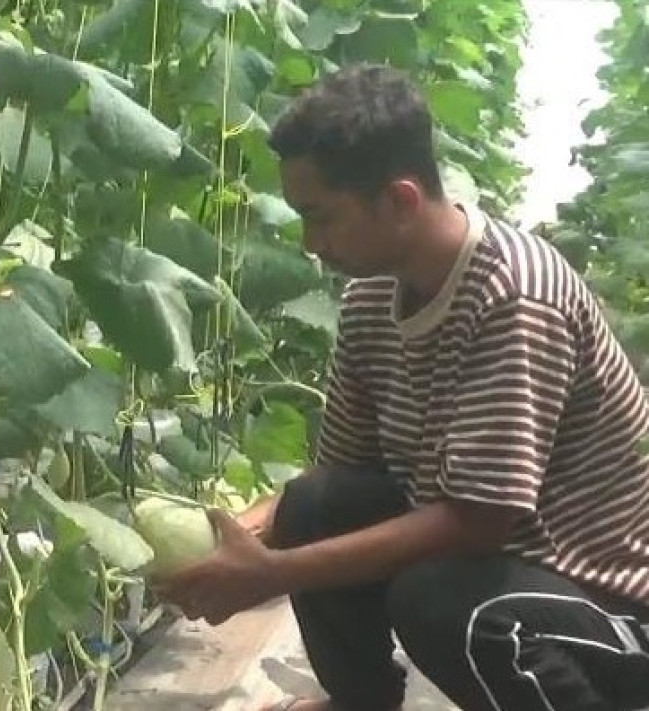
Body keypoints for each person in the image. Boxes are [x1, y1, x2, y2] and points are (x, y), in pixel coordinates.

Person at [151, 63, 649, 711]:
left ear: (401, 200)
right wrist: (239, 532)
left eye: (321, 217)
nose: (309, 242)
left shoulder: (515, 294)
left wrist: (271, 572)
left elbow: (477, 522)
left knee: (446, 603)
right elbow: (343, 470)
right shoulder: (369, 299)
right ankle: (360, 702)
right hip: (504, 566)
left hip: (604, 603)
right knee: (311, 503)